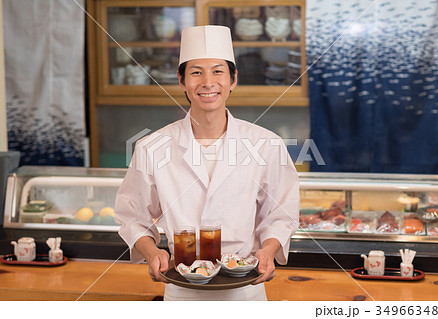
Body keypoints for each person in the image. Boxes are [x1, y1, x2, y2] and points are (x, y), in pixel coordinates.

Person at [115, 25, 300, 301]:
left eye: (217, 71)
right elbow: (132, 215)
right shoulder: (151, 147)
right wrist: (152, 252)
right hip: (181, 290)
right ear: (181, 80)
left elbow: (281, 213)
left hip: (245, 291)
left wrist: (269, 249)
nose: (208, 83)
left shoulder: (267, 144)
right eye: (196, 72)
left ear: (233, 79)